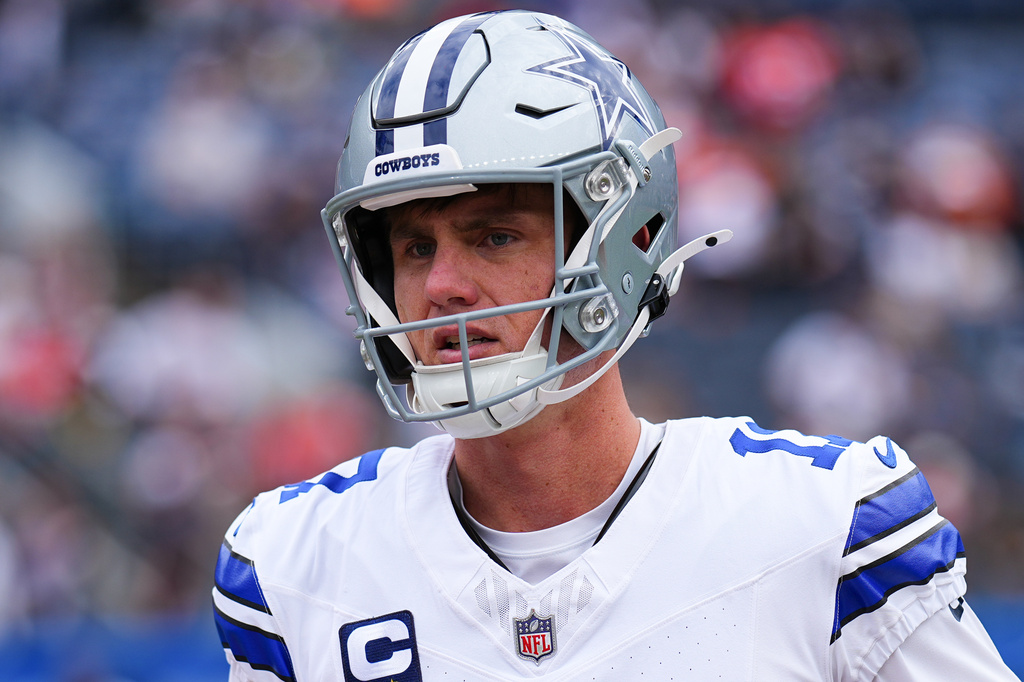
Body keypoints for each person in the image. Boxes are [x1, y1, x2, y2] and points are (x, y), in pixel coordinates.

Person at [211, 10, 1018, 681]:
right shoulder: (291, 566)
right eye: (414, 248)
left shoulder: (830, 528)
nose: (441, 285)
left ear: (620, 246)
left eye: (493, 236)